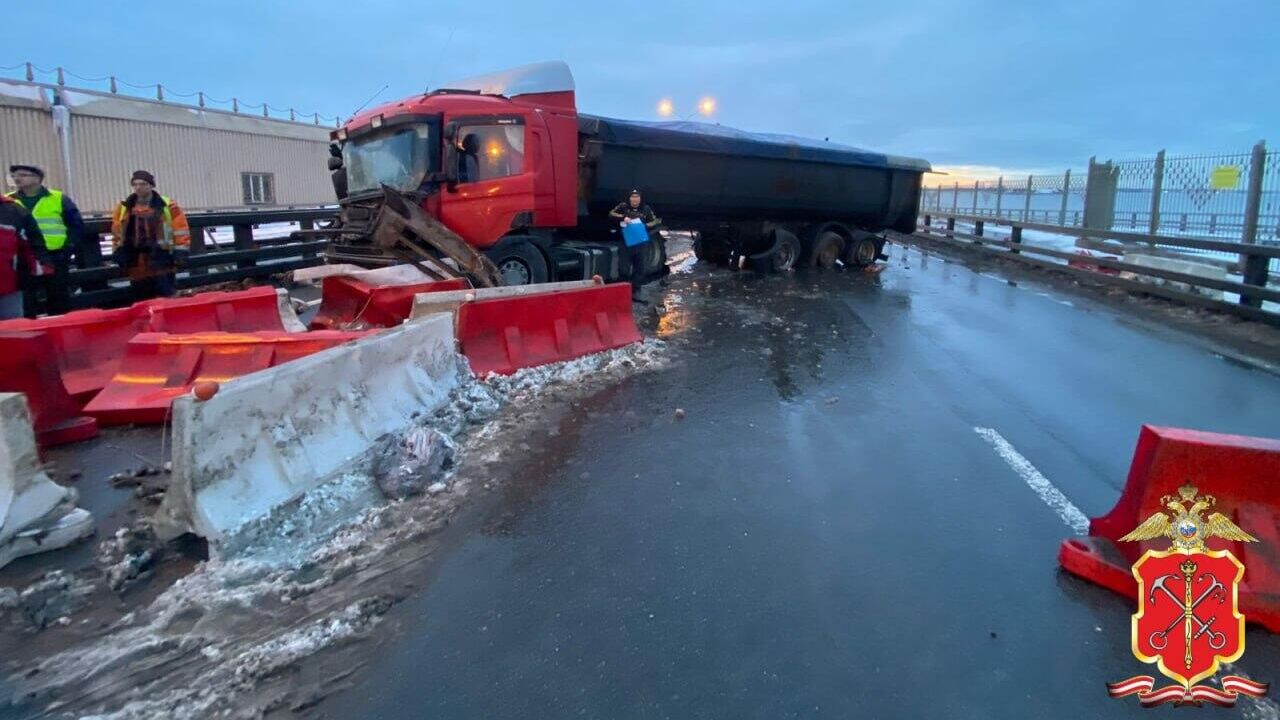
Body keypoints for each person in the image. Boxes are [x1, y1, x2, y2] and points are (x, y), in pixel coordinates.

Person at [8, 164, 85, 316]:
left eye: (23, 175)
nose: (17, 178)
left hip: (55, 255)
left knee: (58, 298)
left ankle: (59, 331)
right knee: (26, 300)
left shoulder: (58, 198)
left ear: (37, 178)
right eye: (15, 175)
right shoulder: (9, 200)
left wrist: (68, 247)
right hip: (23, 257)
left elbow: (76, 225)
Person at [110, 170, 190, 300]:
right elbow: (117, 232)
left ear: (151, 185)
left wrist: (181, 252)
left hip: (162, 259)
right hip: (137, 260)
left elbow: (181, 229)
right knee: (141, 298)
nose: (138, 188)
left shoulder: (168, 206)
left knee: (166, 296)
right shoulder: (123, 208)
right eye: (135, 184)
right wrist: (118, 251)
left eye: (143, 184)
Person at [608, 189, 661, 301]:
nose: (635, 199)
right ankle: (622, 292)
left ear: (640, 199)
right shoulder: (623, 206)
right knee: (623, 268)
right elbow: (611, 214)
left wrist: (645, 225)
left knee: (640, 268)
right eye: (633, 197)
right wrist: (623, 218)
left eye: (637, 197)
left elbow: (655, 221)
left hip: (640, 243)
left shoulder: (646, 209)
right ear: (629, 198)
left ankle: (636, 291)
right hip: (626, 242)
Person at [0, 195, 42, 320]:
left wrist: (38, 267)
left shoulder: (13, 209)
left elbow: (32, 242)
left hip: (11, 287)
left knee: (14, 332)